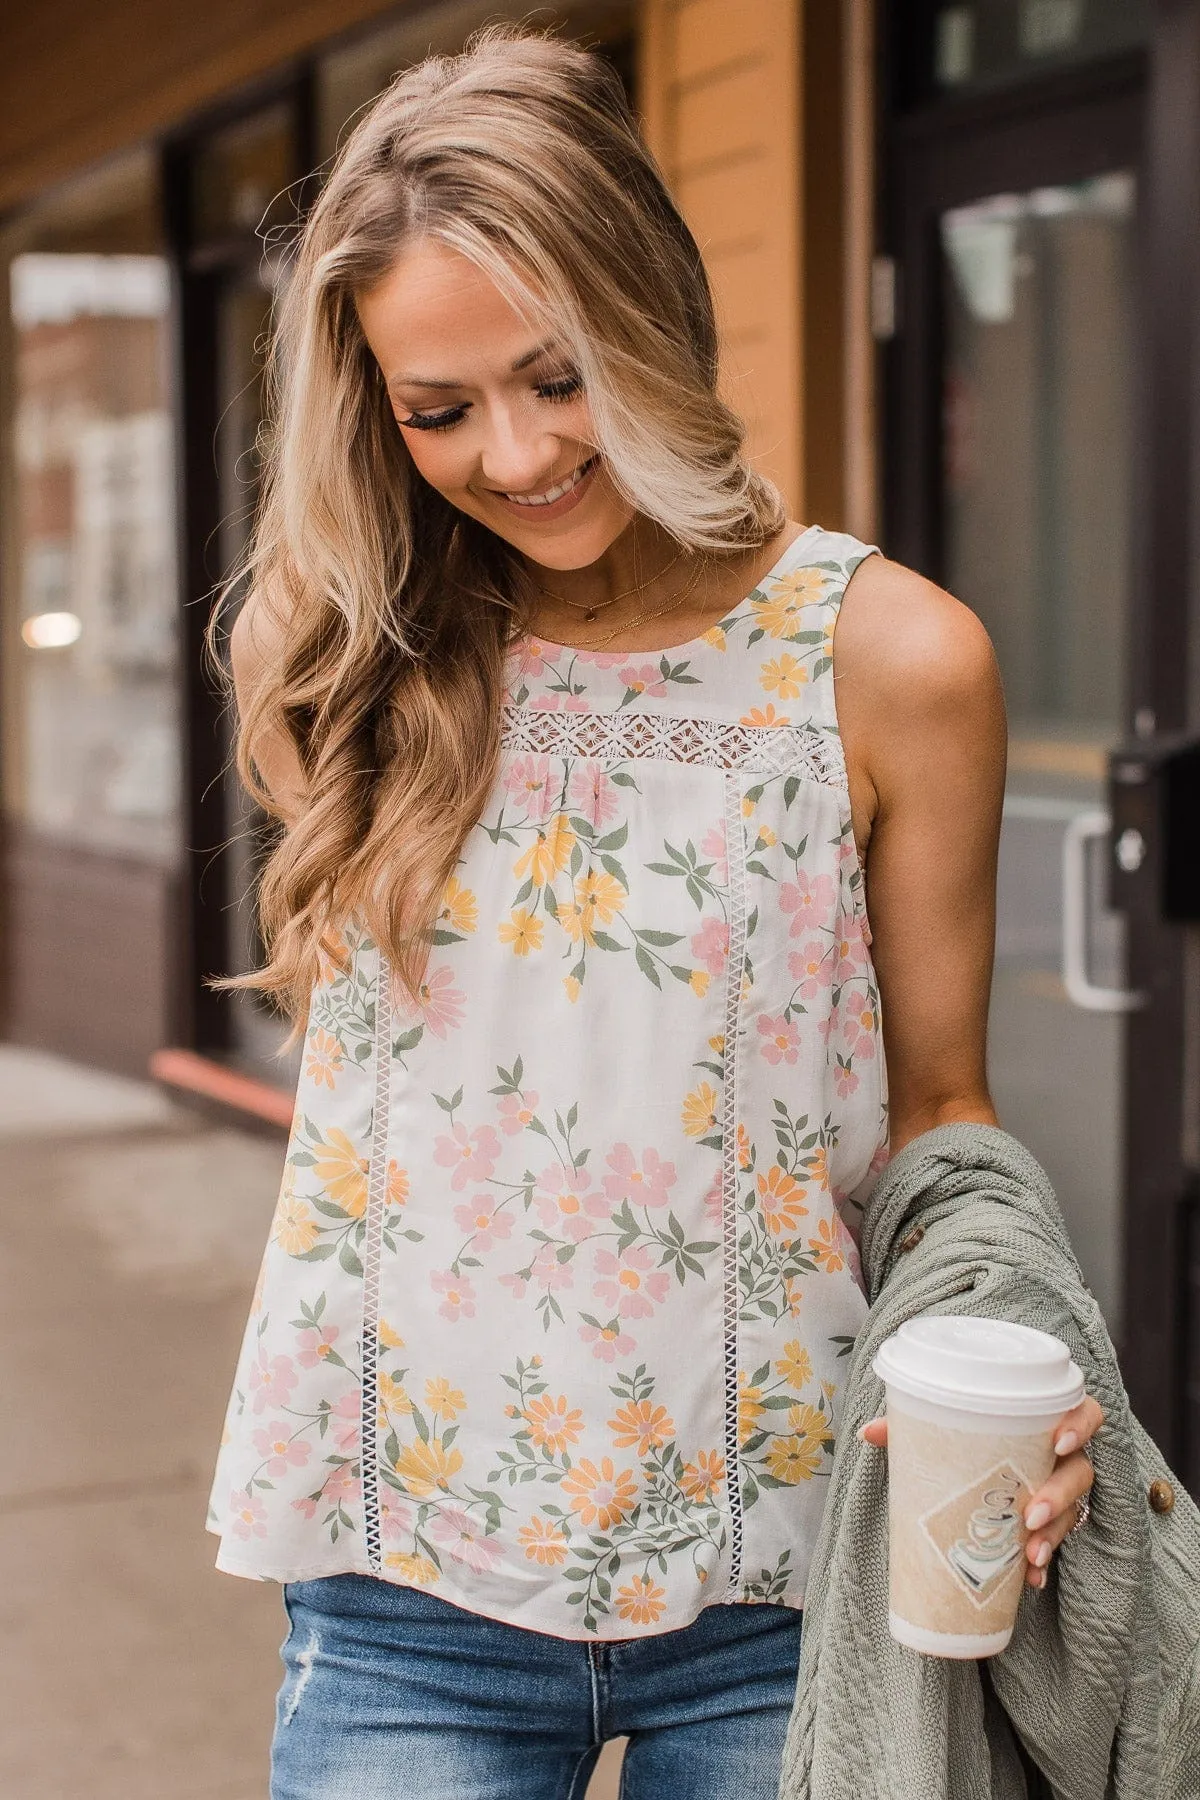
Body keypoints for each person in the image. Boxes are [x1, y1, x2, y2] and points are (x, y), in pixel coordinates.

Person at [205, 26, 1102, 1799]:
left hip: (784, 1571)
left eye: (559, 377)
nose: (520, 454)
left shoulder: (894, 659)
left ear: (656, 320)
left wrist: (1027, 1361)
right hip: (407, 1573)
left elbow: (938, 1119)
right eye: (435, 407)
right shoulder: (329, 656)